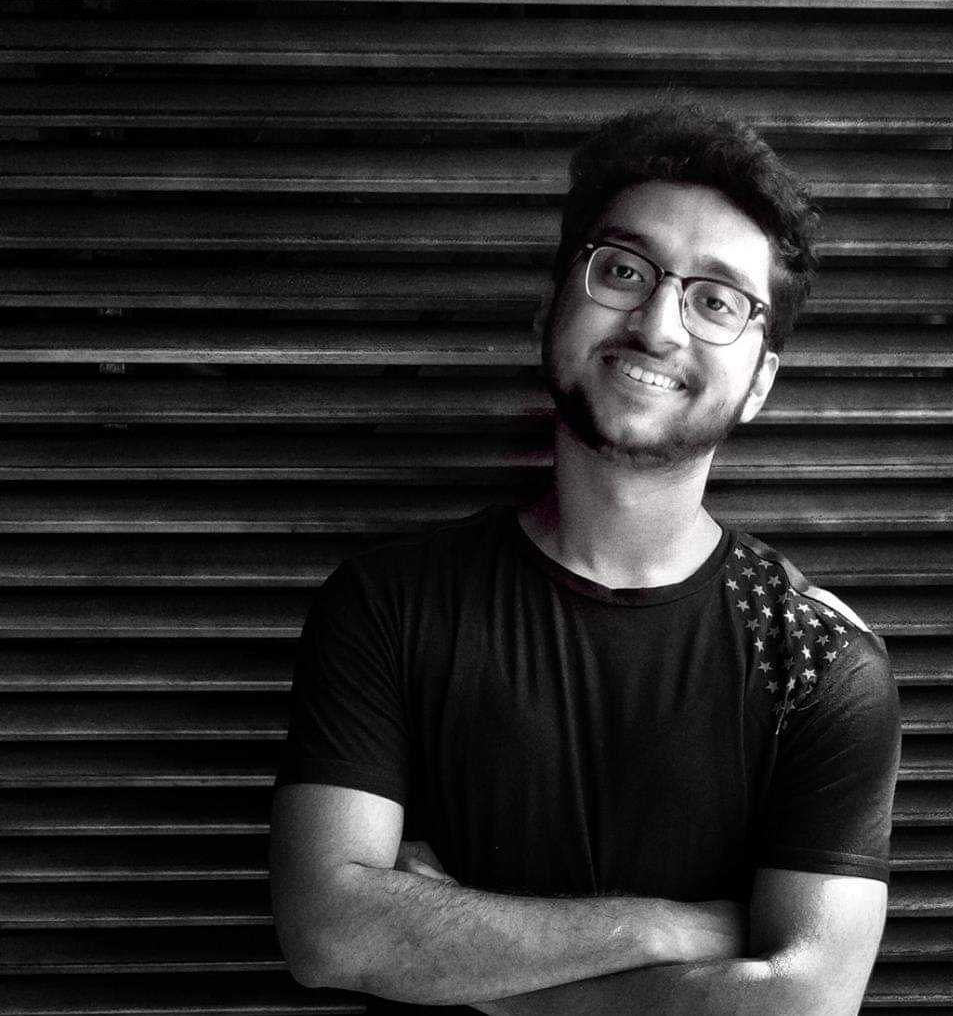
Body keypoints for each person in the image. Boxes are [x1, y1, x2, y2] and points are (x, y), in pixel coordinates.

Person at [270, 103, 901, 1015]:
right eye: (623, 270)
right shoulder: (386, 606)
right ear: (551, 305)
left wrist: (488, 988)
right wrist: (667, 930)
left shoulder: (819, 662)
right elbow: (330, 934)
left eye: (716, 301)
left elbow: (805, 1002)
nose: (658, 324)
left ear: (760, 381)